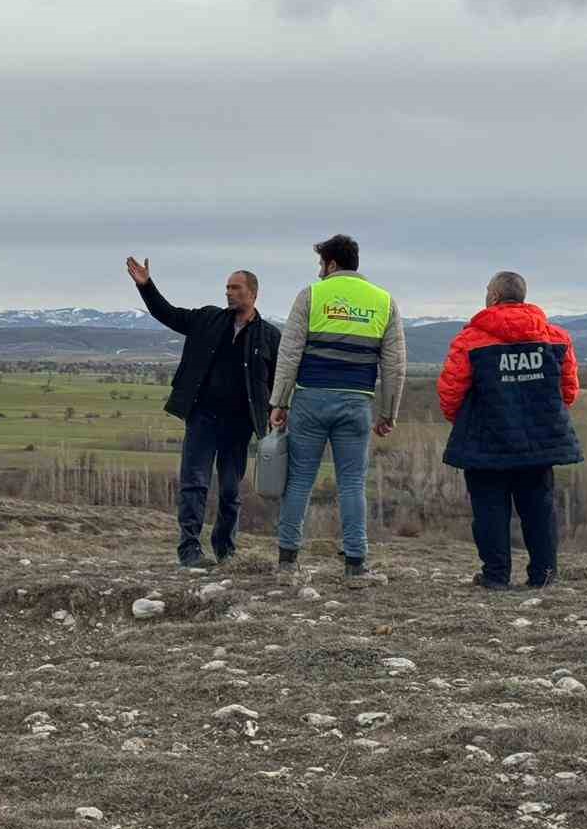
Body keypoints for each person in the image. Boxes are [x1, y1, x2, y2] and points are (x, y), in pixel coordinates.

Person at [126, 256, 282, 568]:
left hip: (240, 425)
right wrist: (146, 286)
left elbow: (279, 381)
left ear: (253, 293)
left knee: (229, 490)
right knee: (194, 483)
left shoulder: (269, 336)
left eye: (235, 288)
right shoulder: (208, 319)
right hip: (203, 417)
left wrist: (279, 410)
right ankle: (189, 550)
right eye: (226, 287)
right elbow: (168, 314)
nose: (228, 292)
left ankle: (225, 550)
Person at [268, 234, 405, 585]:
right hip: (356, 402)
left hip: (310, 399)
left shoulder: (310, 296)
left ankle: (287, 562)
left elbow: (289, 354)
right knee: (352, 483)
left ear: (330, 264)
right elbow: (394, 366)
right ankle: (355, 565)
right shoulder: (384, 302)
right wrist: (388, 412)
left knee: (299, 479)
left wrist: (279, 402)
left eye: (320, 265)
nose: (319, 272)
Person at [437, 271, 583, 590]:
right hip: (539, 442)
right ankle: (543, 575)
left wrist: (467, 423)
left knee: (489, 510)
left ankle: (495, 576)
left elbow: (450, 393)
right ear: (522, 296)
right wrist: (540, 419)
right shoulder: (556, 337)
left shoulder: (470, 339)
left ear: (493, 297)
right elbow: (568, 390)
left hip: (486, 441)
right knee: (539, 509)